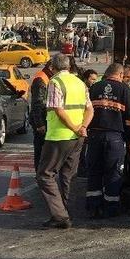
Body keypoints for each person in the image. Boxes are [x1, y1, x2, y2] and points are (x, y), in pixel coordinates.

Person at [36, 54, 94, 229]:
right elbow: (90, 109)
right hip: (77, 138)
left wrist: (75, 128)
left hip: (59, 136)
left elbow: (58, 110)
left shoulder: (55, 82)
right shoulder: (80, 82)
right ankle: (67, 212)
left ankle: (60, 215)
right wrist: (82, 127)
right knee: (69, 175)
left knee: (45, 174)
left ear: (53, 67)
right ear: (69, 67)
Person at [86, 63, 130, 218]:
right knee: (113, 172)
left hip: (94, 136)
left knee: (94, 171)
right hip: (115, 137)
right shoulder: (124, 90)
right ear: (121, 75)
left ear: (107, 74)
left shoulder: (94, 88)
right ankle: (111, 208)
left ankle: (94, 207)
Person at [30, 61, 54, 169]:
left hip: (43, 118)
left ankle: (41, 173)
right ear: (51, 67)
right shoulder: (41, 80)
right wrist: (40, 124)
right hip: (41, 120)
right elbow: (37, 103)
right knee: (41, 149)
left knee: (43, 149)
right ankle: (40, 174)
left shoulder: (46, 77)